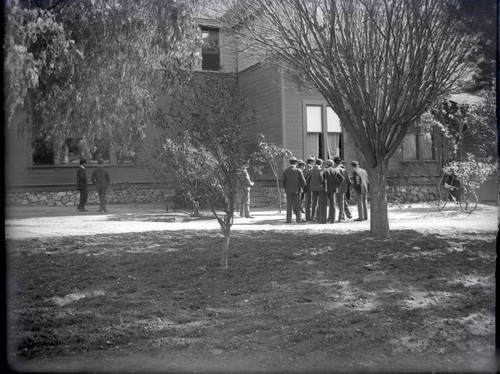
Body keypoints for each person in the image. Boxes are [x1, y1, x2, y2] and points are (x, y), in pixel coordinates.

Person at [282, 156, 306, 223]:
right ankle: (299, 219)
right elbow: (303, 181)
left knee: (289, 205)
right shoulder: (299, 170)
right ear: (296, 163)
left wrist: (286, 188)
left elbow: (283, 181)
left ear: (290, 162)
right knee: (298, 205)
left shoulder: (286, 171)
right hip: (297, 190)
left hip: (289, 190)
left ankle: (288, 220)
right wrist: (302, 187)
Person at [307, 158, 325, 222]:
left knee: (314, 203)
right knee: (320, 203)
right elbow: (321, 179)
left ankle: (312, 217)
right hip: (320, 188)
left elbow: (308, 180)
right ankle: (318, 217)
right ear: (321, 164)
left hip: (312, 188)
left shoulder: (311, 170)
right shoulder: (320, 170)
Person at [333, 156, 351, 221]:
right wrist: (345, 186)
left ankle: (336, 217)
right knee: (342, 202)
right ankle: (341, 216)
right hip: (343, 188)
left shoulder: (334, 169)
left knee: (334, 203)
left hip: (335, 188)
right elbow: (348, 180)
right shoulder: (344, 170)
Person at [303, 156, 315, 221]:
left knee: (310, 202)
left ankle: (310, 216)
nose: (314, 162)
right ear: (310, 162)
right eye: (313, 161)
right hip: (308, 187)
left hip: (310, 186)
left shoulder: (310, 168)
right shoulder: (308, 168)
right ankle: (308, 217)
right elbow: (306, 177)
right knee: (308, 202)